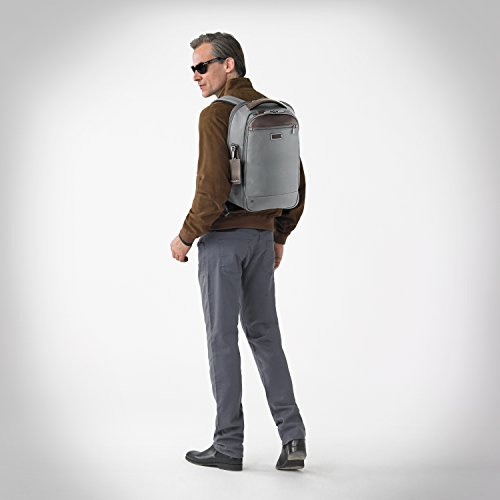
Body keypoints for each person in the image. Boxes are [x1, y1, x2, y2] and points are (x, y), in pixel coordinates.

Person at [170, 32, 307, 472]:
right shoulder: (273, 111)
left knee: (222, 339)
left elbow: (211, 190)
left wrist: (185, 236)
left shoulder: (216, 114)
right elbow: (297, 184)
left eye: (202, 66)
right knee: (266, 336)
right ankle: (293, 439)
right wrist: (279, 235)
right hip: (261, 241)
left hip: (224, 243)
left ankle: (228, 446)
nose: (196, 75)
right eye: (192, 68)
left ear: (228, 64)